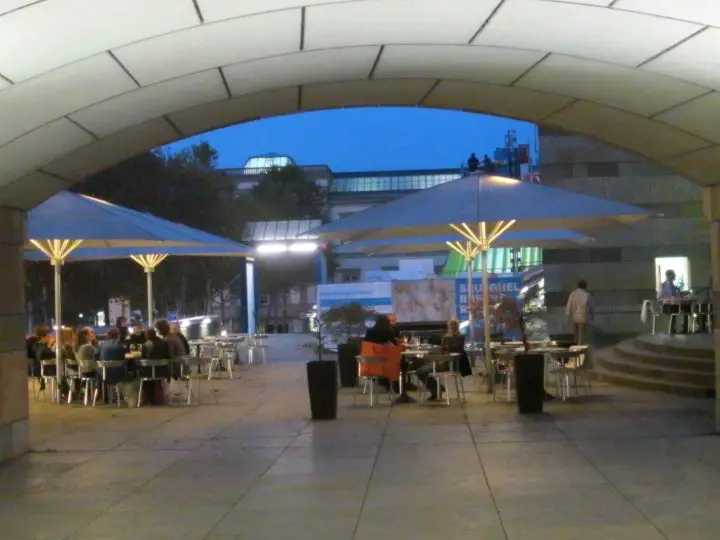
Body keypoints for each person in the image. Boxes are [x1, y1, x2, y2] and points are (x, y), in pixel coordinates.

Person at [416, 319, 471, 401]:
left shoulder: (460, 337)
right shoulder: (447, 337)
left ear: (457, 326)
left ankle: (436, 391)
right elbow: (443, 350)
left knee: (422, 371)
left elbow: (455, 349)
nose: (453, 326)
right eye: (451, 324)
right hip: (444, 361)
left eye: (454, 324)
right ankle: (437, 389)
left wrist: (448, 341)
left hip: (452, 364)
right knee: (420, 371)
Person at [658, 269, 688, 334]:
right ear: (668, 276)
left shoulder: (673, 286)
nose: (675, 276)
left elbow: (676, 295)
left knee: (687, 308)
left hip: (673, 304)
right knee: (681, 308)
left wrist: (682, 293)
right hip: (666, 306)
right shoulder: (663, 285)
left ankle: (685, 328)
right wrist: (668, 298)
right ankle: (673, 329)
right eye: (673, 275)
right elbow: (660, 297)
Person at [565, 280, 594, 345]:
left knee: (576, 334)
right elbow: (591, 307)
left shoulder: (572, 294)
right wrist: (592, 316)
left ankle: (575, 346)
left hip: (575, 316)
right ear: (585, 287)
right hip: (583, 316)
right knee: (582, 335)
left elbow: (569, 305)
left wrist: (567, 317)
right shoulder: (587, 295)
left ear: (578, 286)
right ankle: (580, 347)